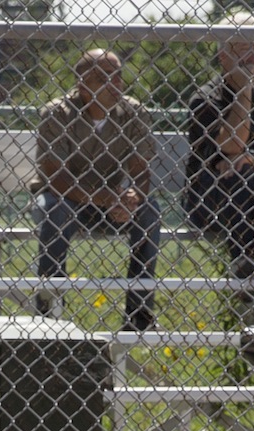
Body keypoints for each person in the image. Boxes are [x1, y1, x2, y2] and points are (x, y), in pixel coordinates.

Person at [34, 49, 161, 332]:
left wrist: (133, 198)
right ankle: (49, 310)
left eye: (118, 76)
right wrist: (102, 197)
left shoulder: (133, 111)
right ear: (82, 84)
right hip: (67, 200)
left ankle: (139, 313)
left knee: (150, 210)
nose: (115, 84)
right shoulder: (57, 113)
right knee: (55, 209)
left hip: (113, 202)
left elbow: (141, 170)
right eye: (104, 78)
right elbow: (56, 178)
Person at [185, 14, 254, 306]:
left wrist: (253, 158)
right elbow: (232, 144)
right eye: (244, 49)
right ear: (224, 56)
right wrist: (245, 91)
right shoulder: (206, 98)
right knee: (241, 174)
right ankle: (243, 260)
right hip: (211, 200)